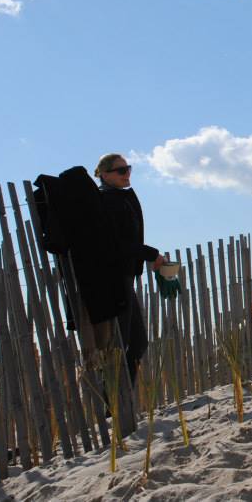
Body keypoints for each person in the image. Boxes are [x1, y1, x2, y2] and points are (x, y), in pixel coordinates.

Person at [93, 153, 165, 384]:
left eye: (129, 168)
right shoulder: (108, 200)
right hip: (113, 280)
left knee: (135, 342)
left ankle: (118, 400)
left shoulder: (117, 197)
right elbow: (118, 244)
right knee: (122, 343)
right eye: (121, 171)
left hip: (123, 277)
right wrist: (151, 254)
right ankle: (112, 403)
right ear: (104, 174)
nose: (127, 174)